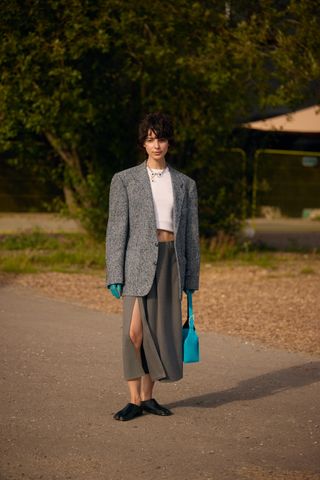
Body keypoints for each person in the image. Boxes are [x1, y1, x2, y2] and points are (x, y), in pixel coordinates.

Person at [106, 112, 200, 421]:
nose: (156, 144)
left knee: (159, 334)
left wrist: (191, 277)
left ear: (169, 142)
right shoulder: (124, 180)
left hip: (172, 261)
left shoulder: (185, 184)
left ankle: (148, 398)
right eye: (149, 139)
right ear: (142, 143)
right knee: (133, 333)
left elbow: (191, 235)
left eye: (160, 138)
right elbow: (117, 229)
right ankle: (132, 400)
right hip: (135, 263)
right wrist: (114, 273)